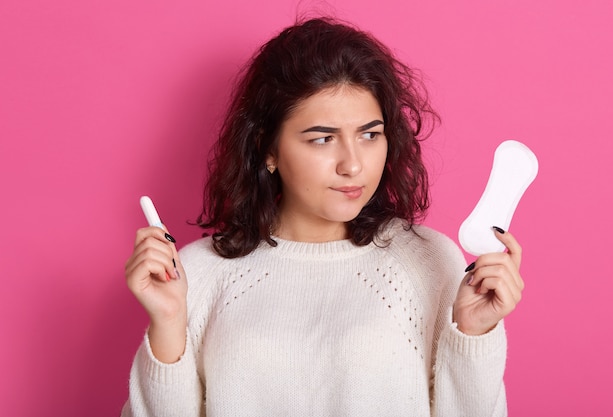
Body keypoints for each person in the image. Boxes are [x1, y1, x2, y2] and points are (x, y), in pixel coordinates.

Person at [122, 17, 524, 417]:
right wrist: (169, 324)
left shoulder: (429, 261)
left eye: (370, 135)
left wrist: (474, 333)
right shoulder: (197, 274)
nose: (353, 165)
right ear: (268, 149)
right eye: (323, 139)